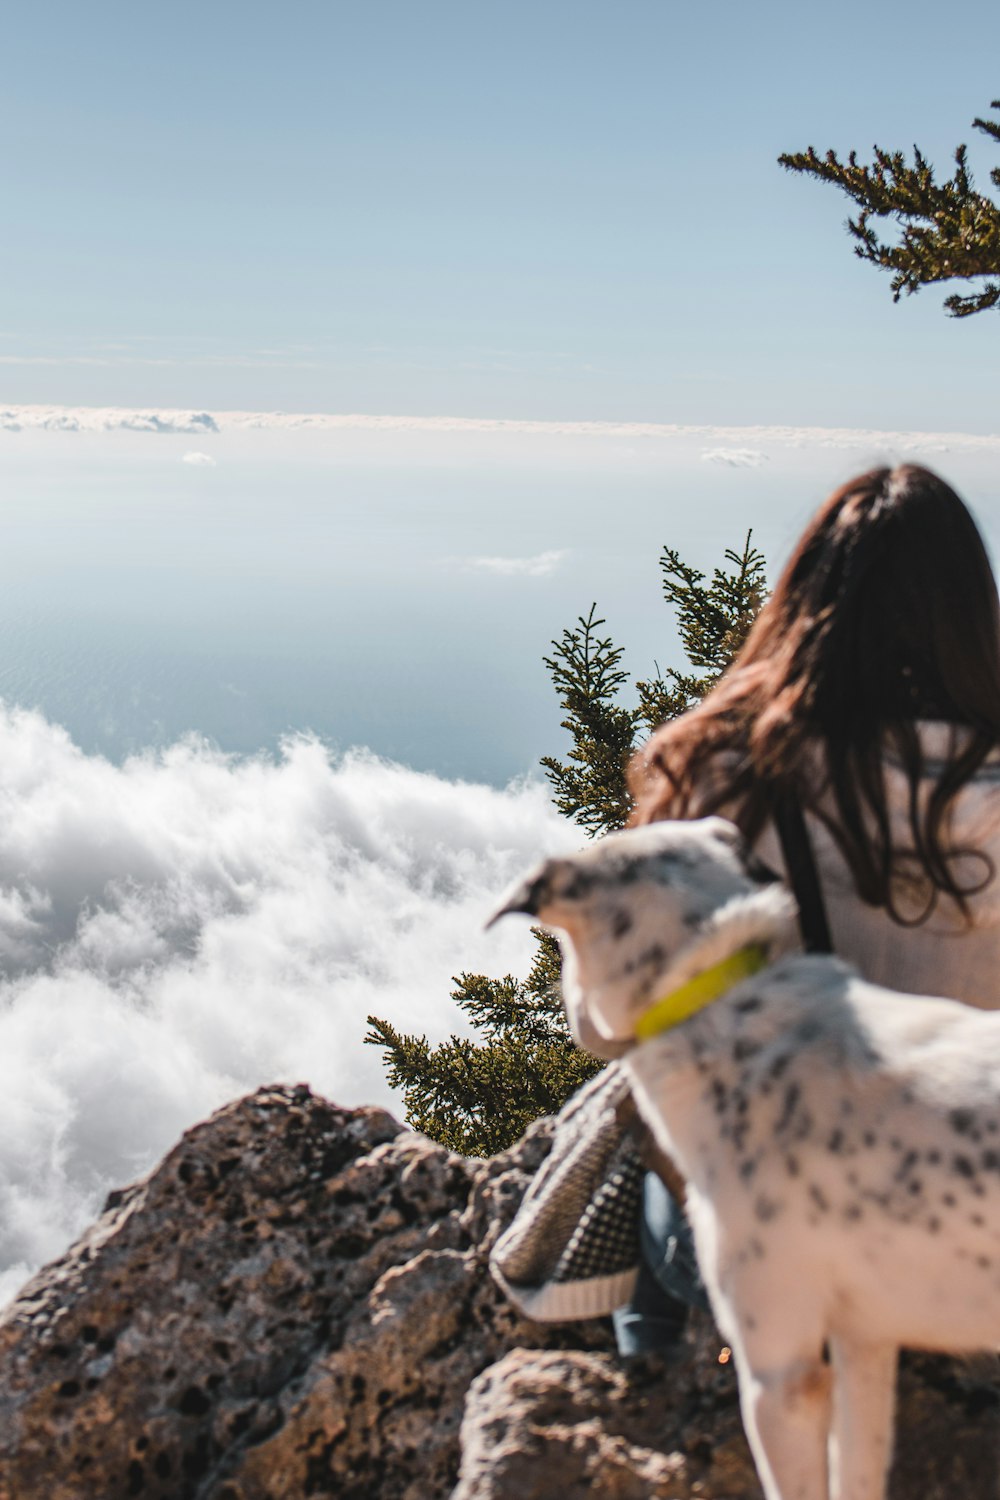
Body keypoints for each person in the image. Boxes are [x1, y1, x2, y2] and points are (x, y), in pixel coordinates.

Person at [492, 463, 1000, 1356]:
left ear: (804, 607)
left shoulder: (729, 781)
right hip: (971, 1241)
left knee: (664, 1150)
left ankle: (660, 1382)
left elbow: (612, 1029)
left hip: (785, 1228)